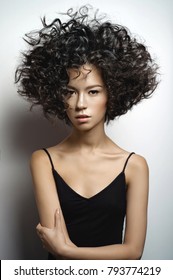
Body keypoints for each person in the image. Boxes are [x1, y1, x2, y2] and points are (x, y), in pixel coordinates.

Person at [15, 6, 159, 259]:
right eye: (70, 91)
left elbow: (134, 251)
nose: (80, 103)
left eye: (93, 91)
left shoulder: (134, 165)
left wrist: (67, 249)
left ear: (112, 94)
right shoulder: (43, 160)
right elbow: (55, 247)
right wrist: (63, 250)